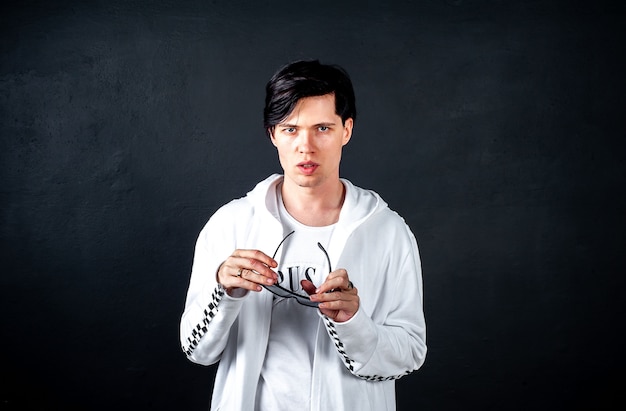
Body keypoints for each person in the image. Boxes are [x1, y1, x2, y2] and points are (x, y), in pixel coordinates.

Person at [180, 60, 427, 410]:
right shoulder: (230, 225)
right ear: (272, 134)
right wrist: (225, 292)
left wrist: (355, 324)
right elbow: (197, 351)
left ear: (347, 130)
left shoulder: (388, 232)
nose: (305, 146)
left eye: (323, 128)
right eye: (291, 129)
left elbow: (411, 354)